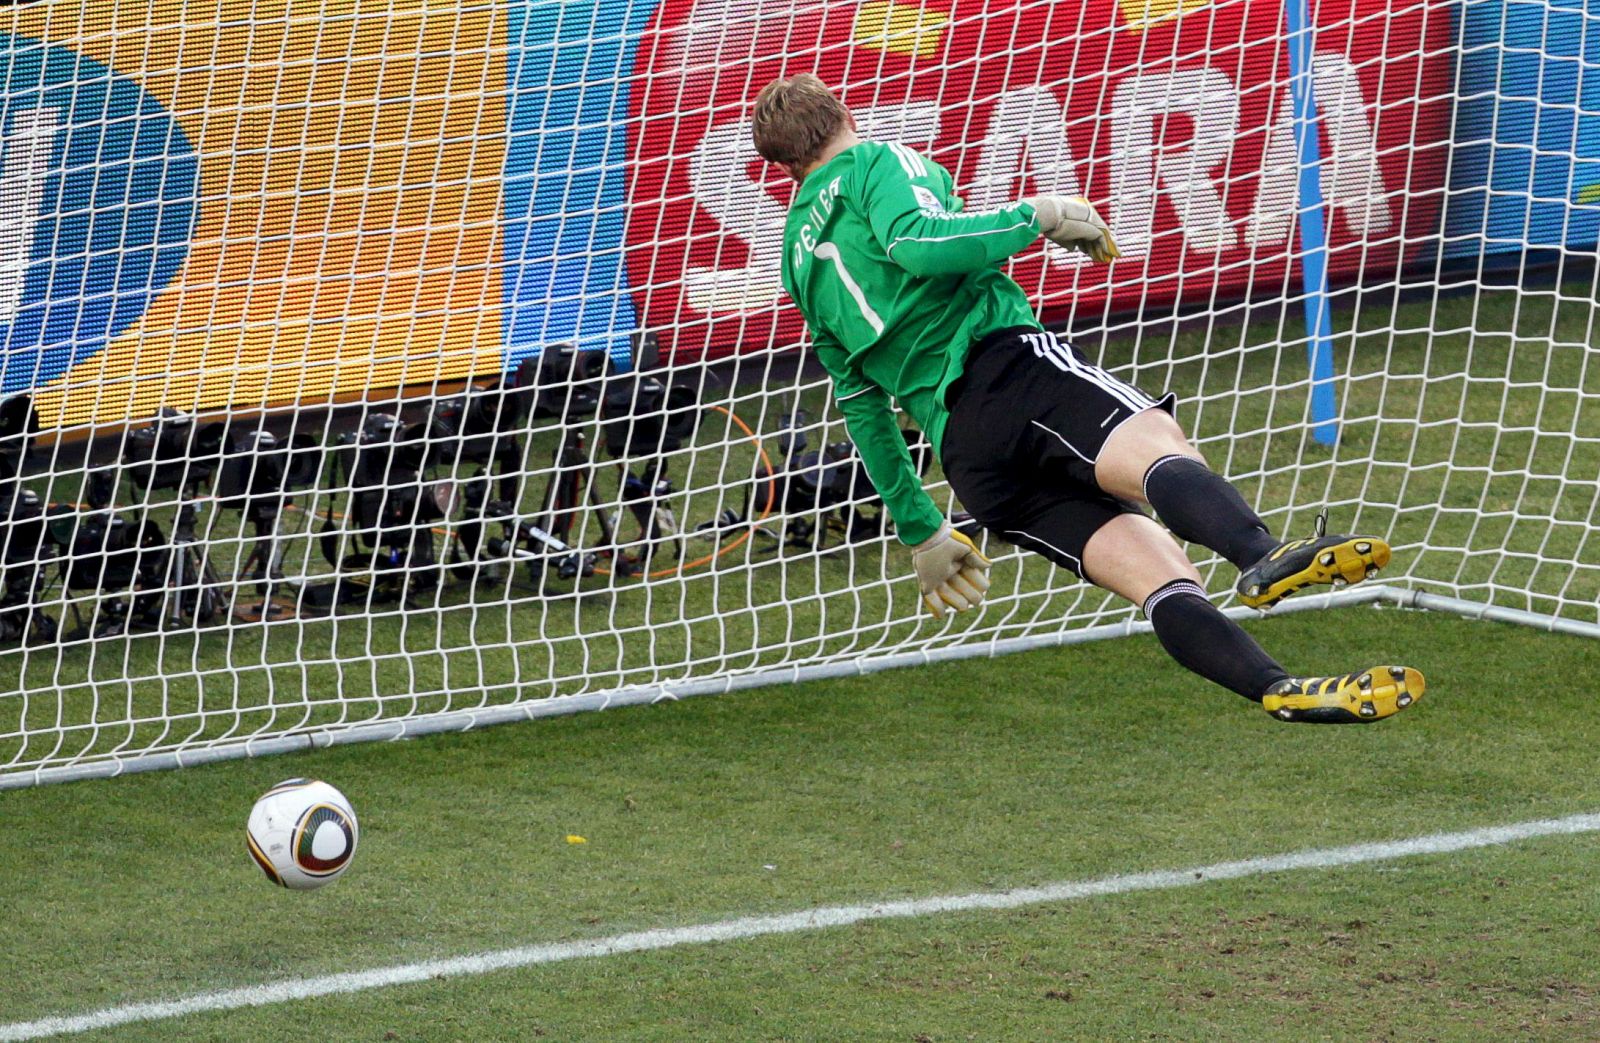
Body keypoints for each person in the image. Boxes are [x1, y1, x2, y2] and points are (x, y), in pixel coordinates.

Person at [751, 74, 1424, 724]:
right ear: (846, 117)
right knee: (1156, 444)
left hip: (971, 459)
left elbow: (862, 405)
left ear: (785, 168)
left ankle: (1276, 686)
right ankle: (1259, 553)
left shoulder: (794, 257)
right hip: (1008, 368)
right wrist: (1036, 215)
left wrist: (920, 525)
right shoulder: (875, 161)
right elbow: (918, 246)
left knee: (1161, 579)